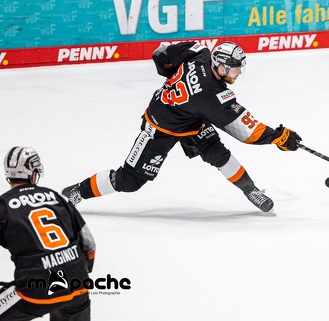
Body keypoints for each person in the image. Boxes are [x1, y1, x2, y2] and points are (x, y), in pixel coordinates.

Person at [62, 41, 302, 214]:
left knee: (219, 155)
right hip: (161, 126)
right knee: (130, 181)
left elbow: (162, 52)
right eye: (235, 68)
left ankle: (251, 190)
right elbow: (247, 131)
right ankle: (77, 191)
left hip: (192, 120)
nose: (239, 72)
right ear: (220, 66)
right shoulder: (213, 97)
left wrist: (171, 77)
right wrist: (278, 137)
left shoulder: (199, 51)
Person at [1, 147, 95, 320]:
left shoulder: (4, 205)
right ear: (33, 173)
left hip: (36, 288)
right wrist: (79, 271)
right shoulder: (55, 196)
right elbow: (88, 244)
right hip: (77, 282)